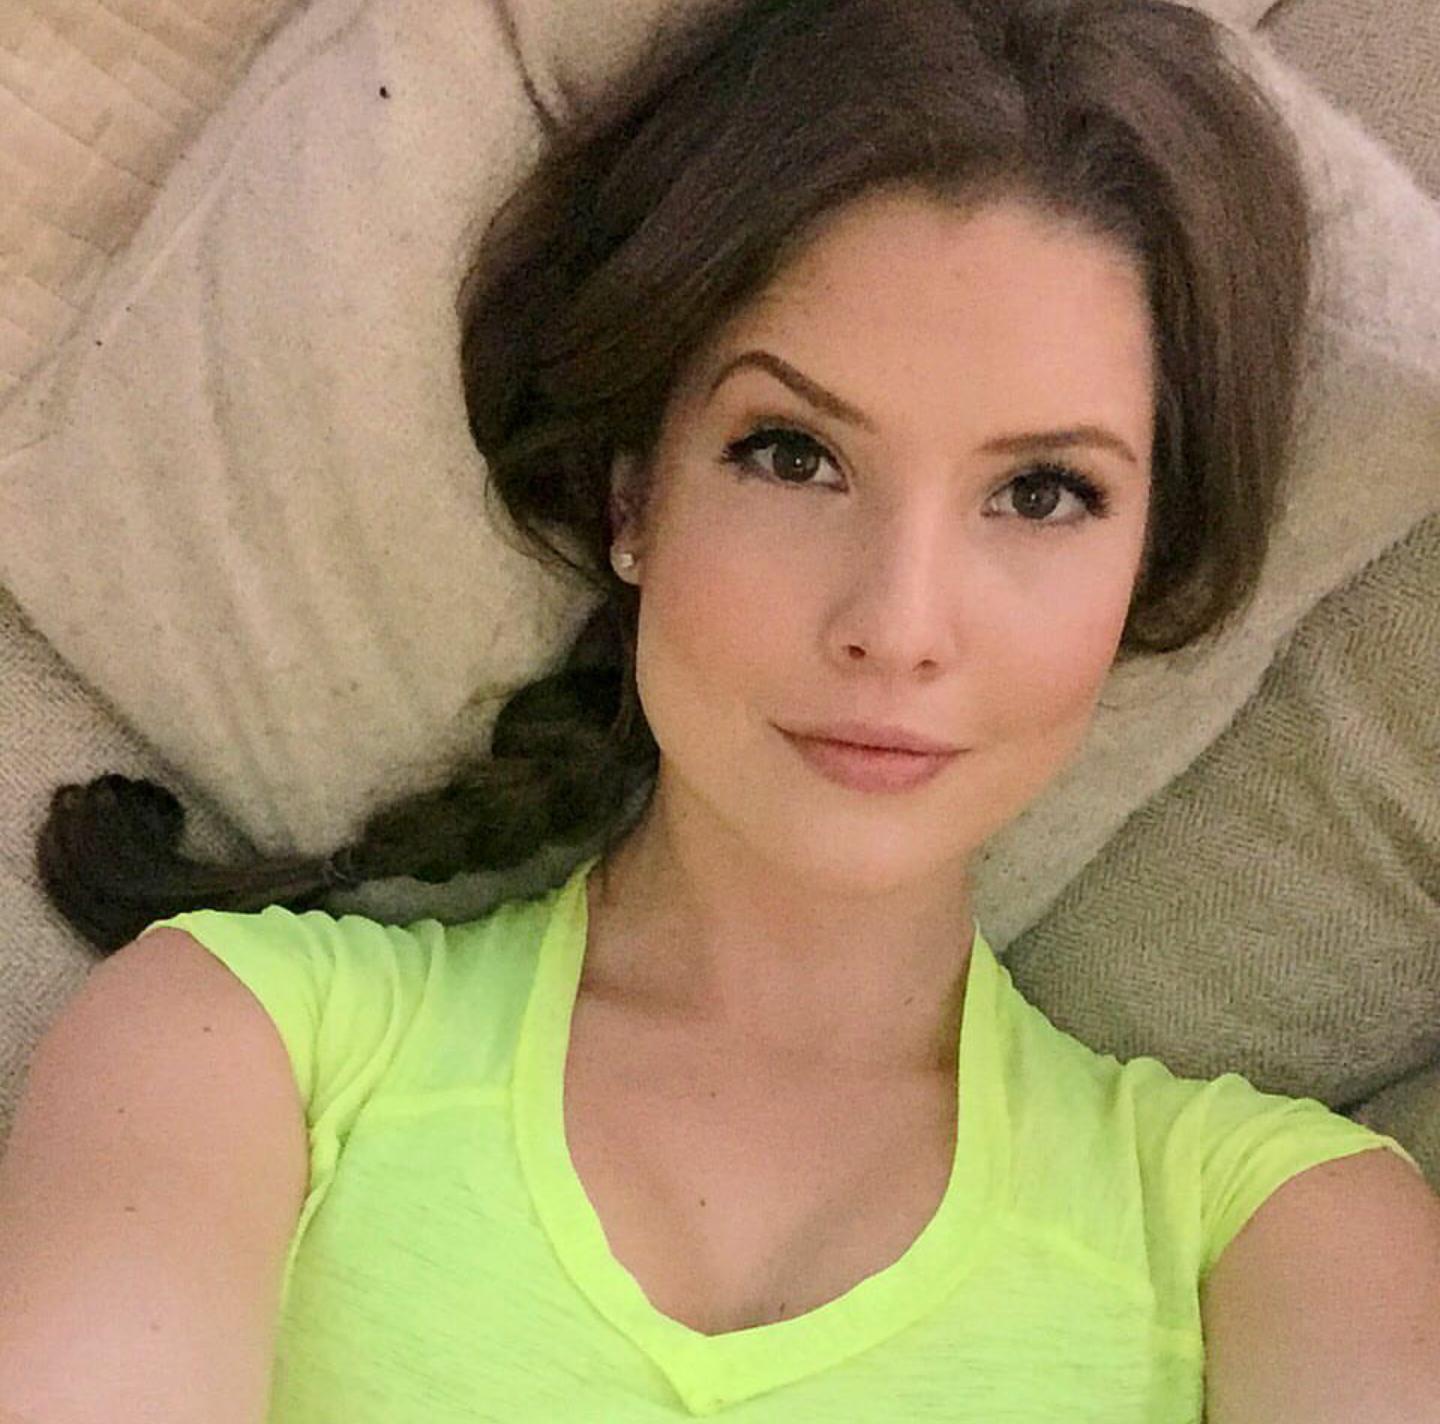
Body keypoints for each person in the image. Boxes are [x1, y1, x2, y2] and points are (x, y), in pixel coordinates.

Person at [7, 0, 1440, 1419]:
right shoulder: (232, 1049)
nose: (897, 625)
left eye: (1042, 493)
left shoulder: (1287, 1238)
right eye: (792, 455)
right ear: (635, 497)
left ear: (1143, 567)